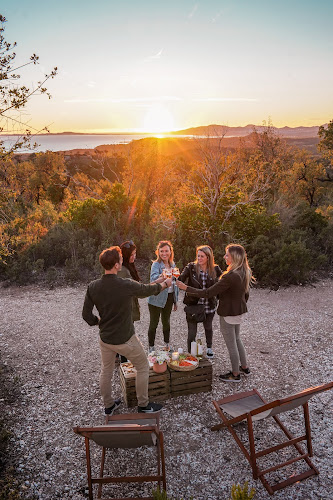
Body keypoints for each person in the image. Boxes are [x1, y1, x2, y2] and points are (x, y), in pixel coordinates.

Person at [82, 246, 172, 414]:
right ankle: (143, 405)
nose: (122, 262)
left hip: (105, 339)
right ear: (117, 265)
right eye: (121, 260)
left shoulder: (93, 286)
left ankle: (108, 406)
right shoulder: (125, 284)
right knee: (143, 366)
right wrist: (165, 284)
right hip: (125, 338)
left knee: (106, 371)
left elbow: (86, 315)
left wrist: (98, 321)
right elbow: (146, 291)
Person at [177, 243, 253, 382]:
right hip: (239, 312)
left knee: (232, 344)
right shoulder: (244, 271)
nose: (224, 257)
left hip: (229, 314)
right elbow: (245, 294)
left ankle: (235, 374)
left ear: (234, 258)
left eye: (227, 255)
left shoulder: (229, 276)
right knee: (237, 339)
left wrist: (186, 288)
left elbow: (207, 293)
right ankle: (245, 367)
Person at [178, 245, 222, 357]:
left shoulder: (215, 269)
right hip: (194, 305)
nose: (199, 258)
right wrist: (173, 276)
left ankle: (209, 348)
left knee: (208, 327)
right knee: (192, 332)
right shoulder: (191, 267)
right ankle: (190, 353)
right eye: (198, 256)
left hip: (209, 304)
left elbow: (224, 283)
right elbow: (180, 279)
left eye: (202, 256)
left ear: (208, 257)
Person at [147, 240, 179, 352]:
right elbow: (153, 281)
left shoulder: (173, 264)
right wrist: (163, 275)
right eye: (161, 251)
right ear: (158, 252)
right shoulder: (156, 264)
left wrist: (175, 301)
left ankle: (167, 345)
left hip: (169, 298)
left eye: (166, 251)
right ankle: (151, 347)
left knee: (166, 322)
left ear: (170, 252)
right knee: (153, 323)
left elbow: (175, 285)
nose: (164, 253)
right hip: (156, 298)